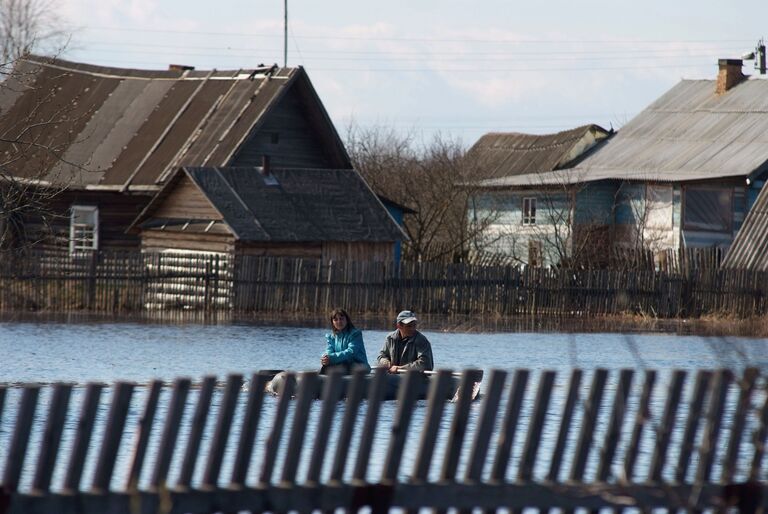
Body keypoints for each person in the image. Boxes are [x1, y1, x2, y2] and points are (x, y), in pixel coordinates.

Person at [320, 308, 371, 374]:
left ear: (347, 320)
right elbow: (329, 351)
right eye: (335, 320)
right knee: (325, 367)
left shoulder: (355, 334)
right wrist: (325, 358)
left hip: (360, 367)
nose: (339, 322)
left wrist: (332, 358)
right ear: (332, 322)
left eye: (341, 319)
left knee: (343, 367)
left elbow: (350, 352)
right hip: (342, 366)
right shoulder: (332, 337)